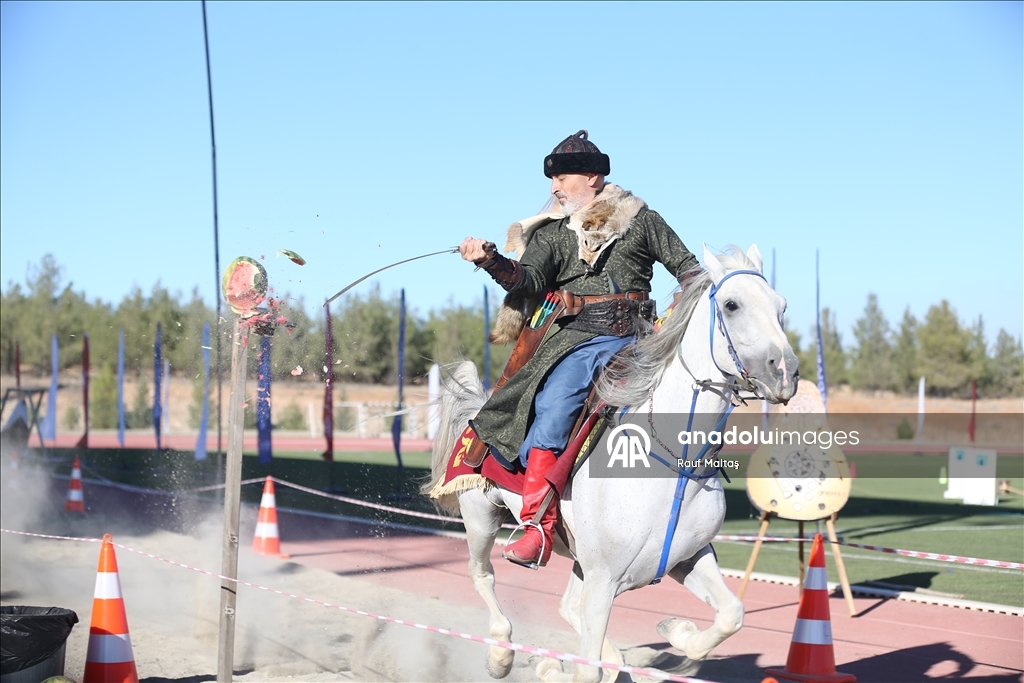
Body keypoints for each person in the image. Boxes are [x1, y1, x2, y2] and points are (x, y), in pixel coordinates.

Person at [459, 130, 698, 568]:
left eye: (562, 178)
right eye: (552, 181)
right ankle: (538, 525)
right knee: (555, 403)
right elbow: (528, 281)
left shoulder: (643, 220)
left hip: (644, 338)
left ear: (592, 177)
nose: (554, 188)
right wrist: (490, 259)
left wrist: (676, 318)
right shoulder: (553, 235)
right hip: (579, 340)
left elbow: (690, 272)